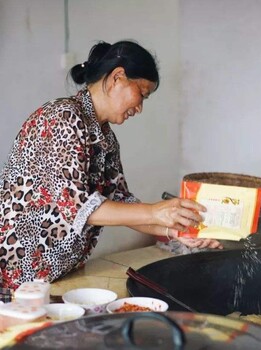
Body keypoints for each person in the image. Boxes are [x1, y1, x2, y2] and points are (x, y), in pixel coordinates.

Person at [0, 40, 222, 292]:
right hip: (16, 272)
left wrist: (176, 232)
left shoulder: (106, 138)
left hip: (54, 274)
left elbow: (122, 203)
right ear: (117, 77)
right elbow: (80, 209)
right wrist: (156, 211)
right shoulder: (62, 117)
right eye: (142, 94)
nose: (139, 108)